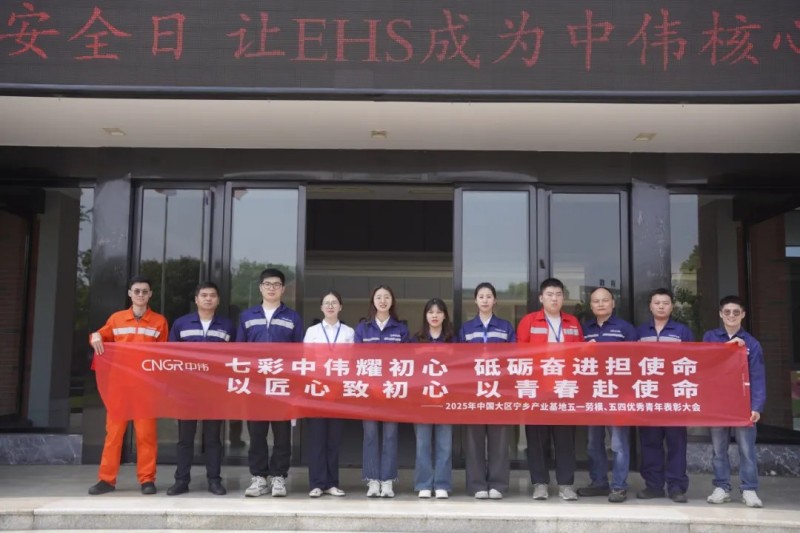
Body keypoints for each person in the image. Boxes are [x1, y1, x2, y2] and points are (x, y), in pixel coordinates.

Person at [87, 275, 169, 495]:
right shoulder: (116, 319)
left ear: (150, 294)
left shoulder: (159, 321)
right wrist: (95, 337)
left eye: (145, 291)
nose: (141, 294)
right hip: (119, 386)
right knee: (113, 435)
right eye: (137, 291)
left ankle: (147, 480)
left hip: (146, 388)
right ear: (130, 294)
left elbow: (163, 356)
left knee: (146, 436)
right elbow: (99, 335)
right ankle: (106, 479)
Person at [236, 268, 303, 498]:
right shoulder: (247, 316)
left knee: (282, 434)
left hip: (282, 384)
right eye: (267, 284)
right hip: (255, 385)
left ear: (283, 289)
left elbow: (300, 353)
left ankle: (278, 477)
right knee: (256, 433)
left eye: (276, 284)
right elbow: (239, 351)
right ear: (260, 288)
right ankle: (258, 477)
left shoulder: (293, 318)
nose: (271, 288)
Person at [517, 278, 584, 501]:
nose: (554, 298)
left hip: (565, 389)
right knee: (537, 439)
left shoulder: (572, 322)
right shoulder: (529, 321)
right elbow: (520, 354)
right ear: (541, 298)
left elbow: (580, 354)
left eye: (558, 294)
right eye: (549, 294)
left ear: (563, 298)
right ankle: (540, 484)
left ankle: (566, 484)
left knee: (565, 439)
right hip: (537, 389)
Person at [166, 281, 235, 497]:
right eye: (204, 295)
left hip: (215, 391)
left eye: (212, 295)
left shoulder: (227, 326)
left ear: (218, 300)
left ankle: (214, 480)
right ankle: (181, 481)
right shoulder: (181, 324)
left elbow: (236, 357)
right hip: (187, 391)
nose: (208, 299)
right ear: (196, 299)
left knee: (213, 439)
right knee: (185, 439)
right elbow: (170, 357)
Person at [702, 295, 766, 508]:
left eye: (736, 312)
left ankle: (749, 489)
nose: (731, 316)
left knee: (747, 450)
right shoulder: (710, 337)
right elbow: (705, 363)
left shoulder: (752, 343)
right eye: (727, 312)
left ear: (743, 315)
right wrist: (728, 348)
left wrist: (757, 406)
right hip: (718, 404)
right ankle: (722, 487)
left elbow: (758, 376)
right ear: (721, 314)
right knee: (718, 449)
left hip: (743, 405)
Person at [577, 287, 638, 503]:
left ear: (613, 303)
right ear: (591, 305)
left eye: (605, 300)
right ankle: (599, 482)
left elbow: (636, 359)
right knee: (593, 443)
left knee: (618, 443)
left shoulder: (625, 328)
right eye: (596, 301)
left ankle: (619, 486)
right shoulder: (585, 329)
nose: (601, 304)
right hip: (592, 393)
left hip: (618, 393)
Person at [458, 282, 516, 500]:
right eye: (481, 296)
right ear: (475, 300)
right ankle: (477, 485)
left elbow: (514, 357)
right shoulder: (466, 328)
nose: (485, 300)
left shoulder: (505, 327)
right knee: (473, 440)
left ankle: (498, 485)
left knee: (499, 439)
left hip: (498, 390)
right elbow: (459, 360)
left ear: (495, 300)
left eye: (489, 296)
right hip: (474, 390)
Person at [636, 288, 694, 503]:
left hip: (674, 396)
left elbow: (694, 361)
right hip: (648, 395)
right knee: (650, 443)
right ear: (650, 306)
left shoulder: (682, 331)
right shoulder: (640, 331)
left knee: (676, 443)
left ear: (672, 307)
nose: (661, 306)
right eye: (657, 303)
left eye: (665, 303)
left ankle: (677, 487)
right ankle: (653, 486)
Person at [354, 285, 409, 498]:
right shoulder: (363, 328)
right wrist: (370, 383)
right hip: (368, 391)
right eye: (379, 297)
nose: (383, 300)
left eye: (387, 297)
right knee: (370, 435)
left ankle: (387, 480)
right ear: (373, 301)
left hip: (392, 391)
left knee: (390, 435)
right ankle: (372, 480)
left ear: (392, 301)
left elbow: (406, 360)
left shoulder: (400, 329)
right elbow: (356, 360)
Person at [303, 290, 355, 498]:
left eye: (334, 302)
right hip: (316, 390)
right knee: (317, 439)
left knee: (334, 440)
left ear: (340, 307)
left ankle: (332, 483)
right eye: (327, 303)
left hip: (338, 391)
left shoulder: (349, 332)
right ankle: (317, 483)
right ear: (321, 307)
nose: (330, 306)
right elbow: (306, 359)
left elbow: (353, 361)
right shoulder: (312, 331)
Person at [412, 298, 455, 500]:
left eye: (438, 312)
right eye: (430, 312)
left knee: (444, 444)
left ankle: (442, 484)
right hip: (422, 400)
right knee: (423, 444)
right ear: (425, 316)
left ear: (445, 315)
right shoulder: (416, 339)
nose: (434, 315)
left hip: (446, 399)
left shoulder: (452, 339)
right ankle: (424, 483)